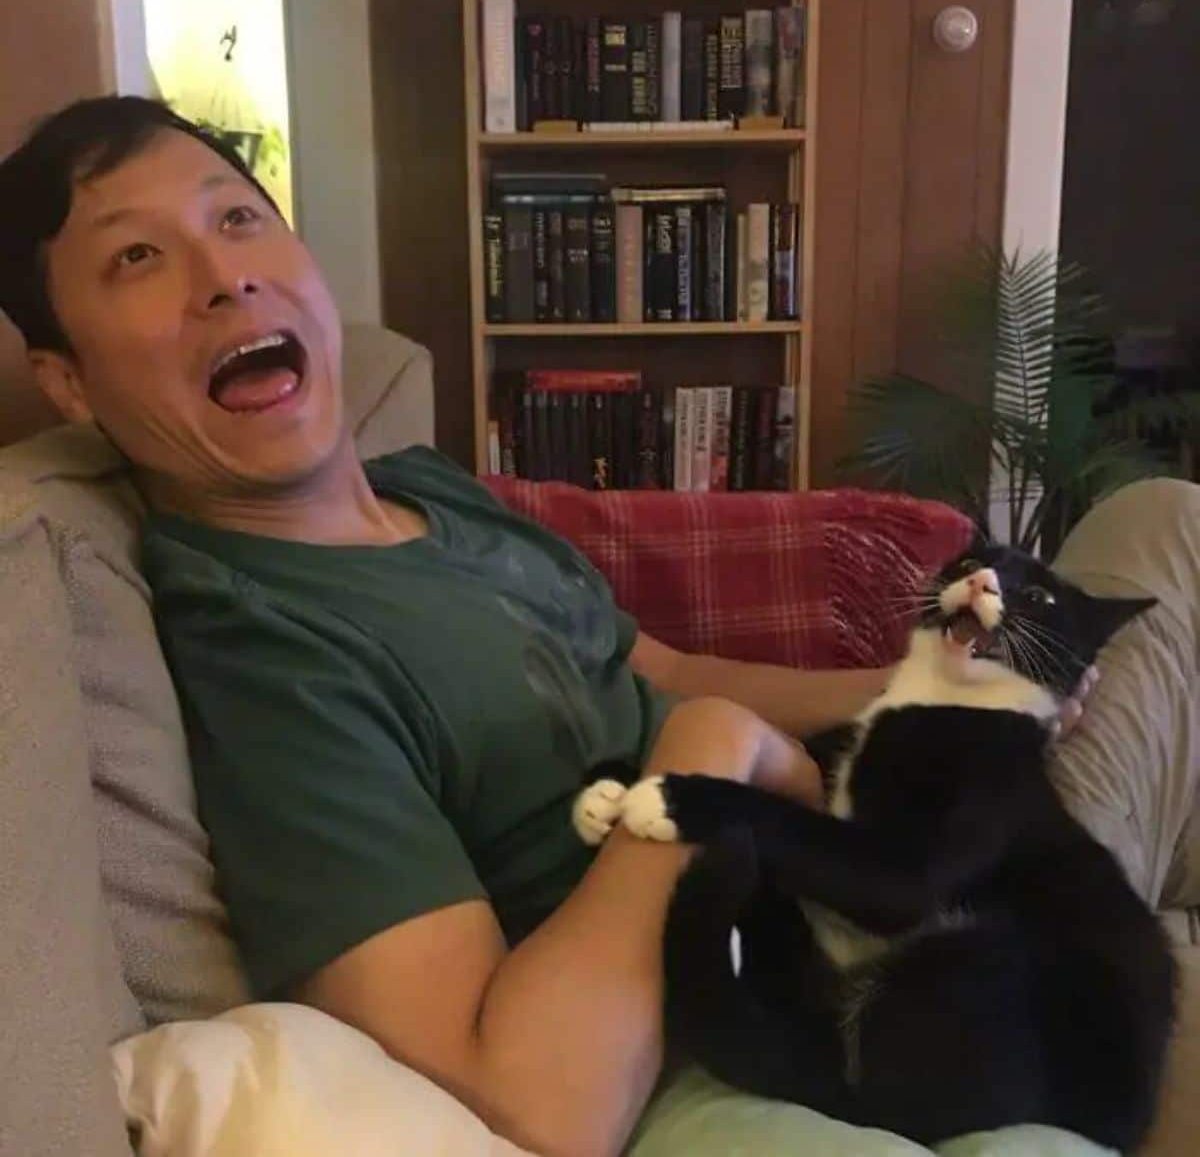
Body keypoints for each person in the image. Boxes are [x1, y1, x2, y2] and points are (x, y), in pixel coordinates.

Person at [0, 97, 1189, 1157]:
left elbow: (654, 663)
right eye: (140, 257)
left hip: (890, 840)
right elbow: (529, 1105)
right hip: (765, 994)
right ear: (66, 382)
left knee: (1166, 529)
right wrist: (710, 761)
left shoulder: (431, 491)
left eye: (240, 218)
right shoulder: (263, 650)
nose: (223, 276)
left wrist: (921, 693)